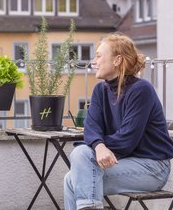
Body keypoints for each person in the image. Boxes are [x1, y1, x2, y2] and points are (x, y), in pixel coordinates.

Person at [64, 32, 173, 210]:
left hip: (152, 167)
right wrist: (99, 147)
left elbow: (126, 140)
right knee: (72, 175)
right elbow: (91, 127)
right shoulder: (101, 90)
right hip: (125, 161)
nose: (94, 61)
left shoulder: (141, 90)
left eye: (99, 56)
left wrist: (97, 144)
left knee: (79, 164)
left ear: (117, 60)